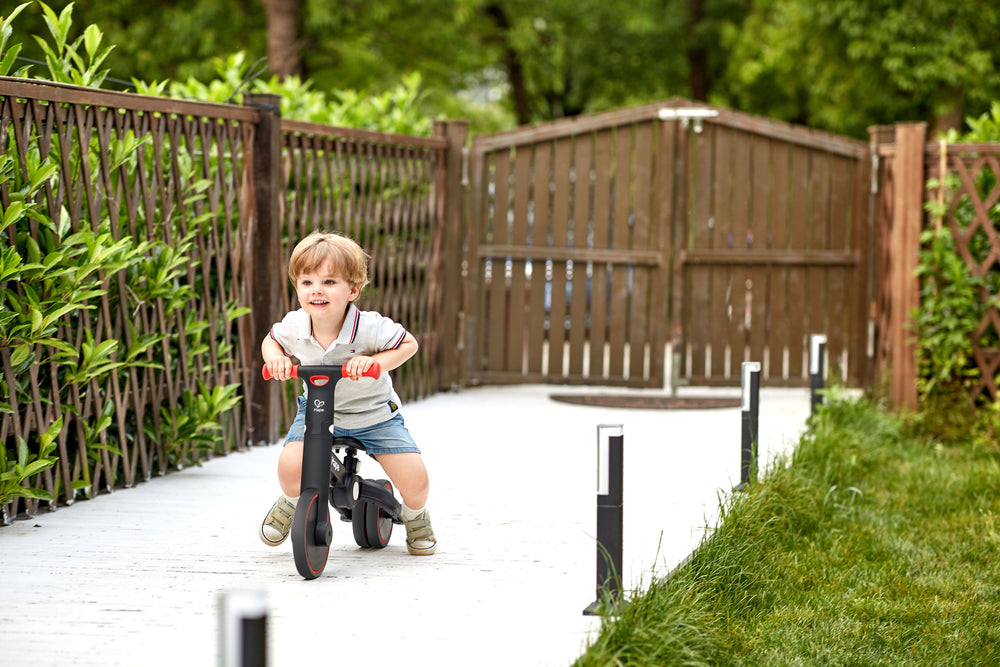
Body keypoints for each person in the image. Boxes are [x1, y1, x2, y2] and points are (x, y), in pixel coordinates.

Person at [259, 231, 436, 556]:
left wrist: (375, 362)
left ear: (352, 290)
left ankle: (415, 516)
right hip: (318, 411)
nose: (316, 290)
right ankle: (291, 500)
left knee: (415, 480)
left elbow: (408, 344)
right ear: (297, 287)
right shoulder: (295, 324)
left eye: (329, 282)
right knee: (289, 467)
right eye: (307, 282)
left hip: (375, 415)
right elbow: (271, 340)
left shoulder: (370, 327)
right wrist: (276, 359)